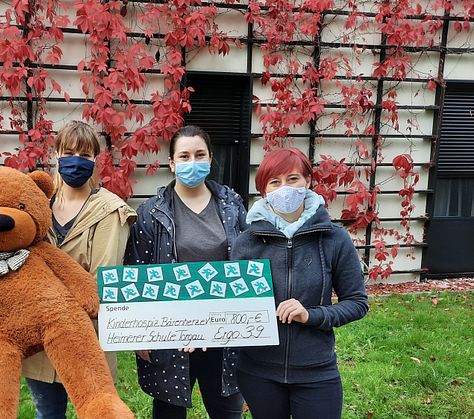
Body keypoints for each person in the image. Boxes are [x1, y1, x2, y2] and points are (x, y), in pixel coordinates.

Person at [231, 147, 369, 419]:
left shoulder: (334, 239)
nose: (284, 188)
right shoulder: (246, 242)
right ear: (264, 191)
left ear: (307, 181)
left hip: (317, 371)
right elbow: (231, 307)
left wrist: (311, 315)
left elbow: (357, 303)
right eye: (275, 182)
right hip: (258, 372)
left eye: (292, 179)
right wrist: (198, 329)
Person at [124, 125, 247, 419]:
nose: (193, 162)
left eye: (200, 155)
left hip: (224, 329)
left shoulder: (232, 206)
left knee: (227, 411)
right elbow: (136, 270)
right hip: (169, 334)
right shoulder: (151, 212)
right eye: (184, 156)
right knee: (168, 411)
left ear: (210, 159)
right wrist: (141, 334)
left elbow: (248, 265)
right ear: (172, 163)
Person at [21, 121, 137, 418]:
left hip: (89, 337)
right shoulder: (36, 207)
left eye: (85, 155)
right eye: (69, 152)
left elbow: (101, 280)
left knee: (97, 410)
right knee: (47, 412)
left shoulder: (110, 210)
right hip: (41, 341)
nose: (76, 161)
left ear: (95, 161)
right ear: (56, 155)